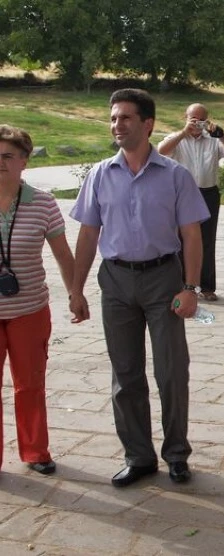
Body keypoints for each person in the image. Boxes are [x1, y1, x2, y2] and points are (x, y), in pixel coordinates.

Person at [69, 89, 210, 487]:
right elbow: (87, 234)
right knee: (125, 373)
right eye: (114, 118)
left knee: (171, 371)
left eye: (126, 118)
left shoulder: (175, 175)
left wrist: (191, 287)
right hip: (115, 280)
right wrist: (75, 289)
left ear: (147, 124)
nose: (117, 125)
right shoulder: (100, 174)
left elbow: (192, 235)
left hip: (164, 279)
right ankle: (139, 456)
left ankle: (177, 454)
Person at [0, 125, 75, 476]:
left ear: (24, 161)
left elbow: (62, 253)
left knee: (29, 384)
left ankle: (35, 451)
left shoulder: (43, 202)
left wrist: (75, 293)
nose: (1, 162)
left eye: (8, 156)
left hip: (29, 310)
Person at [158, 103, 224, 302]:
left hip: (208, 193)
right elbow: (161, 150)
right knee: (178, 239)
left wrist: (222, 135)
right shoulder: (176, 138)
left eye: (201, 119)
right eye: (193, 118)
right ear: (185, 117)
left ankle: (207, 286)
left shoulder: (213, 140)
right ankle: (179, 284)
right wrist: (184, 133)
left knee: (207, 239)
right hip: (180, 194)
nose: (197, 123)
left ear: (207, 120)